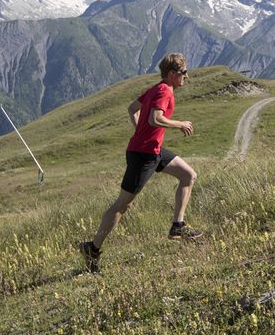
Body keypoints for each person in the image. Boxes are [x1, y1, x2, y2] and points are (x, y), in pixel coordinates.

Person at [78, 53, 202, 273]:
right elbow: (155, 118)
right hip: (143, 155)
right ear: (172, 74)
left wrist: (141, 133)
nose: (186, 76)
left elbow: (131, 108)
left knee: (188, 175)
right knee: (122, 205)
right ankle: (92, 248)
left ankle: (178, 226)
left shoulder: (156, 88)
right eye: (183, 73)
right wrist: (179, 124)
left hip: (151, 150)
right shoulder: (164, 91)